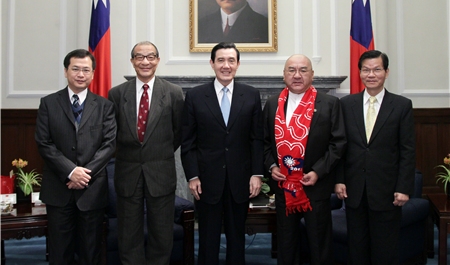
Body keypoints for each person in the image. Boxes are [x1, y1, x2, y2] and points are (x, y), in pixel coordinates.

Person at [181, 42, 264, 265]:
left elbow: (257, 139)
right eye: (220, 60)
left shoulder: (251, 95)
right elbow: (188, 142)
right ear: (212, 63)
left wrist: (257, 173)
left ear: (238, 64)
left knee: (237, 237)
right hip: (206, 180)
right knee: (207, 238)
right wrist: (193, 175)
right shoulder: (196, 96)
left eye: (231, 61)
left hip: (241, 179)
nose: (225, 66)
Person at [35, 49, 116, 265]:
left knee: (91, 252)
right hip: (58, 190)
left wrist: (83, 175)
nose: (80, 74)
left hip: (91, 191)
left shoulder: (105, 106)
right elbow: (44, 143)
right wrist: (71, 171)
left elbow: (109, 144)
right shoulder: (49, 103)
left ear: (92, 74)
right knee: (60, 251)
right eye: (75, 69)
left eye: (86, 70)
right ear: (66, 71)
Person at [263, 54, 346, 265]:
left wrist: (318, 171)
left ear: (312, 75)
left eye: (303, 70)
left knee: (319, 245)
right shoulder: (273, 104)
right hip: (284, 189)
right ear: (284, 75)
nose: (297, 75)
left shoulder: (329, 103)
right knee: (286, 244)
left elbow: (338, 144)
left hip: (315, 187)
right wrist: (271, 165)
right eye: (291, 70)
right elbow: (263, 142)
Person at [335, 50, 415, 265]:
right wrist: (340, 179)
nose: (371, 74)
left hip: (387, 191)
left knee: (385, 250)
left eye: (377, 69)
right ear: (359, 72)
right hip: (354, 190)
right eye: (366, 70)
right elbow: (340, 147)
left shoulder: (401, 106)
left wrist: (404, 187)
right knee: (357, 249)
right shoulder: (346, 105)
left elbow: (407, 150)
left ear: (386, 72)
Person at [107, 41, 184, 265]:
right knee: (128, 233)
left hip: (160, 172)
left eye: (150, 57)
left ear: (158, 61)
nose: (145, 61)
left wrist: (157, 153)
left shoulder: (173, 93)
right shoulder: (117, 94)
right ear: (132, 62)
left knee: (162, 233)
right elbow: (113, 133)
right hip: (127, 172)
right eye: (139, 57)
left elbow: (177, 133)